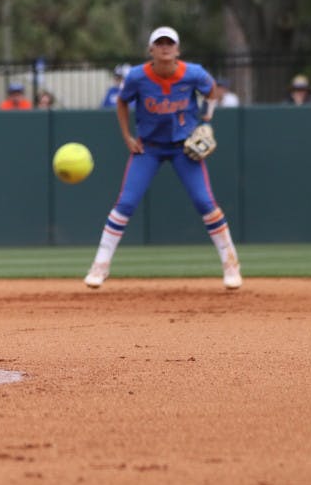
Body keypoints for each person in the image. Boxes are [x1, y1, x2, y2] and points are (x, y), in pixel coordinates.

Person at [83, 26, 242, 290]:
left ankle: (231, 264)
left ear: (178, 49)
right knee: (126, 203)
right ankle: (100, 266)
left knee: (205, 202)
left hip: (184, 147)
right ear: (151, 50)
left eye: (170, 43)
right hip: (149, 147)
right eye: (160, 43)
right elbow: (122, 102)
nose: (165, 47)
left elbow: (211, 91)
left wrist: (207, 119)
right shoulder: (137, 76)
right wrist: (127, 137)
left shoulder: (193, 73)